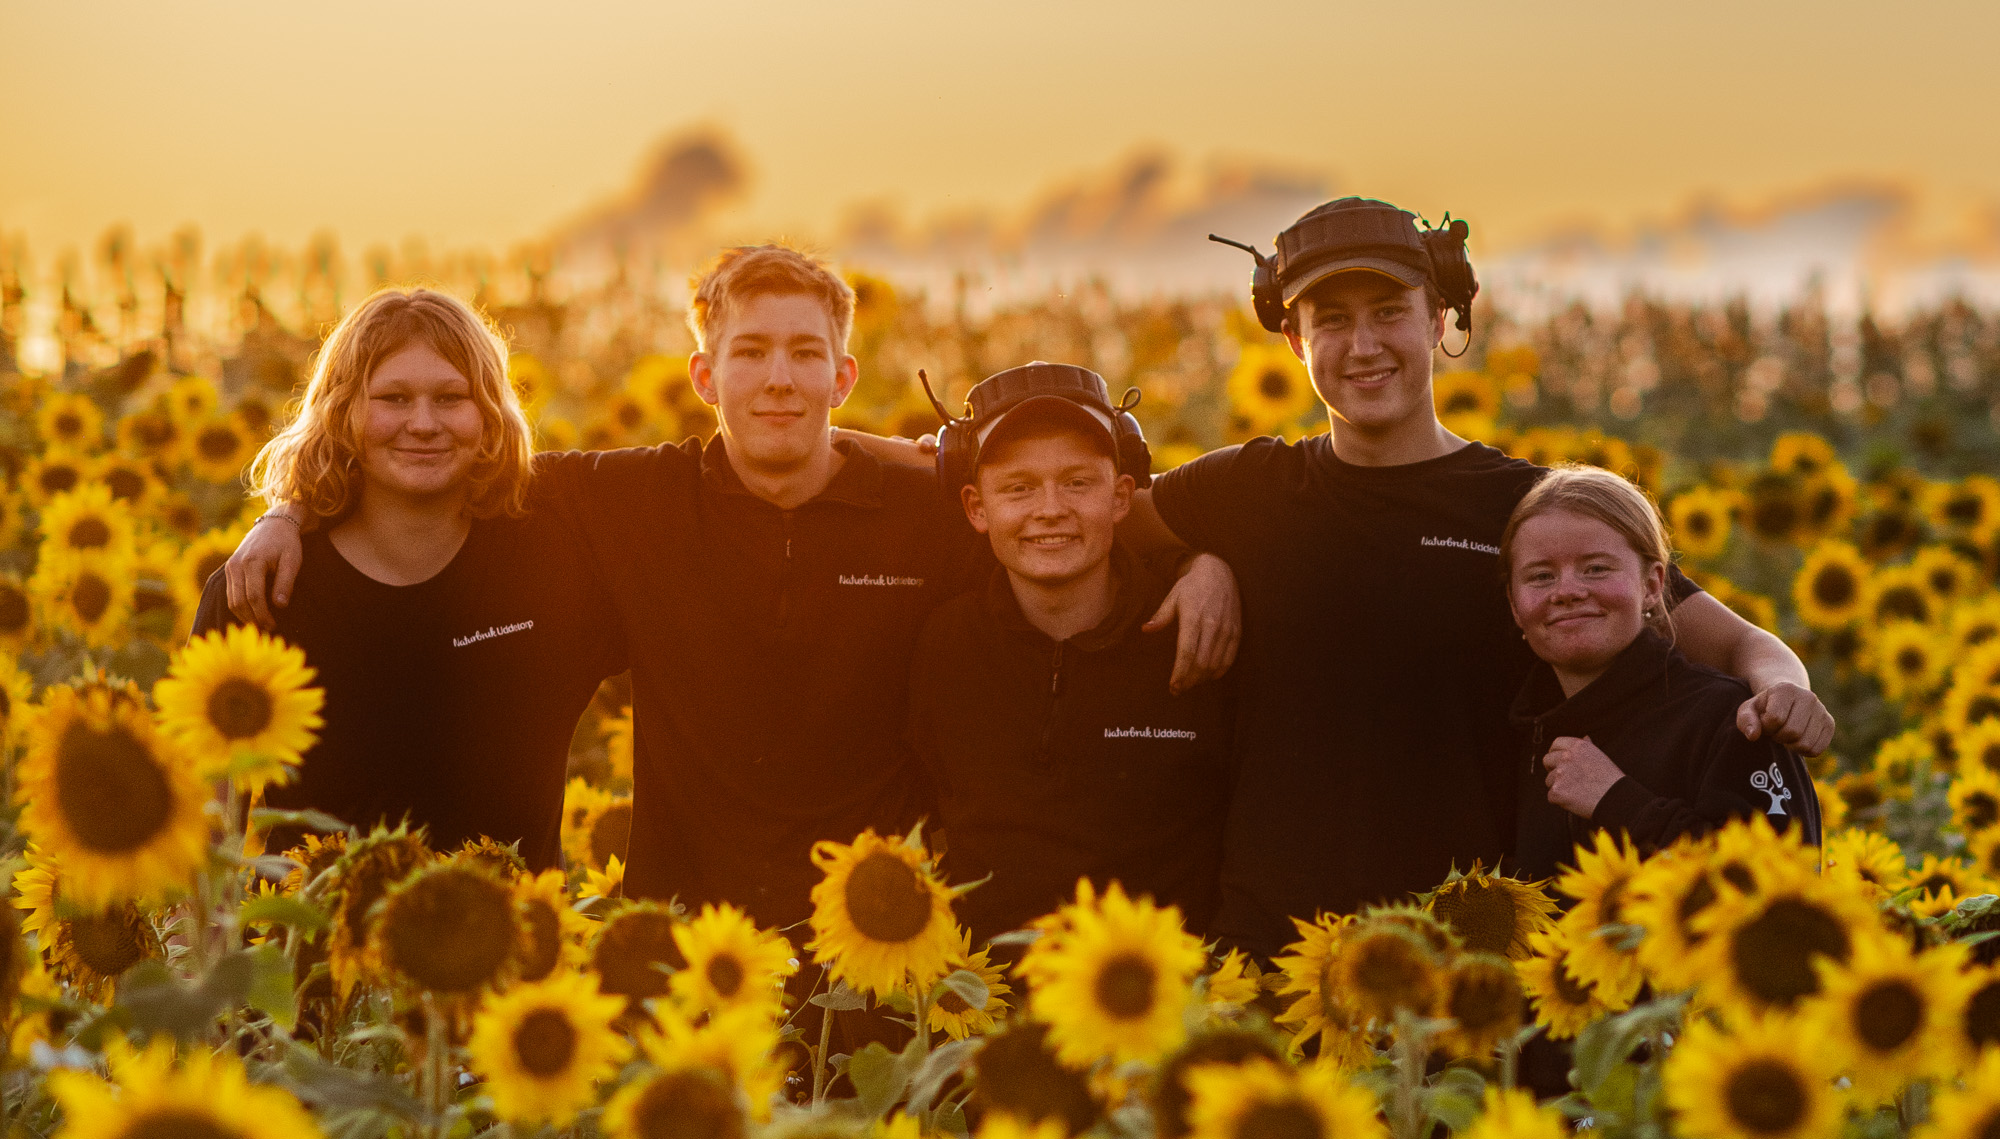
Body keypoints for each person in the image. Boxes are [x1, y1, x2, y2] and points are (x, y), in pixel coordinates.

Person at [225, 245, 1241, 934]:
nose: (777, 380)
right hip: (679, 937)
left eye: (804, 354)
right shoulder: (622, 500)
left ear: (843, 378)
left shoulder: (929, 497)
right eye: (748, 353)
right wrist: (291, 510)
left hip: (879, 935)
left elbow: (1058, 520)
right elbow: (437, 462)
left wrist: (1191, 559)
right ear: (704, 376)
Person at [1117, 197, 1835, 960]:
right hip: (1276, 948)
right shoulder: (1249, 489)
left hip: (1476, 949)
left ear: (1437, 320)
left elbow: (1731, 645)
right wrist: (1196, 561)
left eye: (1390, 311)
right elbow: (1118, 523)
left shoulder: (1524, 509)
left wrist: (1785, 687)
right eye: (1331, 320)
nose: (1362, 345)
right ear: (1294, 340)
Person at [194, 287, 626, 870]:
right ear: (342, 411)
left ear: (489, 413)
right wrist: (287, 510)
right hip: (307, 950)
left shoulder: (553, 554)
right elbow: (206, 838)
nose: (423, 424)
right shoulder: (264, 591)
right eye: (393, 397)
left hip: (515, 948)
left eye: (451, 397)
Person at [906, 363, 1235, 946]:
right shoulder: (943, 646)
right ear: (976, 509)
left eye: (1078, 482)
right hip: (983, 1007)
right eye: (1018, 487)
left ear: (1122, 497)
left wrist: (1205, 563)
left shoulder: (1196, 634)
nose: (1050, 508)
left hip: (1162, 1004)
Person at [1503, 465, 1821, 880]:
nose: (1567, 591)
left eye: (1596, 568)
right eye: (1541, 576)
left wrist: (1617, 802)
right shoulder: (1523, 737)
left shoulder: (1731, 720)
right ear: (1514, 605)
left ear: (1653, 586)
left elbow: (1783, 888)